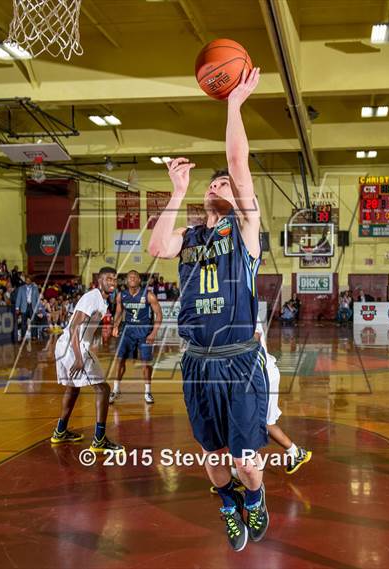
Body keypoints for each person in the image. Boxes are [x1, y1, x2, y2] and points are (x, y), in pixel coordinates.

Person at [148, 68, 269, 552]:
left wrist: (234, 105)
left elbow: (238, 162)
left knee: (245, 462)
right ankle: (227, 507)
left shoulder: (244, 234)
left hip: (239, 359)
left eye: (225, 183)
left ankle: (255, 499)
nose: (220, 184)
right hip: (198, 361)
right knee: (213, 454)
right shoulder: (191, 237)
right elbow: (158, 246)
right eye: (212, 182)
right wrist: (177, 191)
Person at [210, 321, 312, 494]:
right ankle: (295, 453)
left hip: (261, 375)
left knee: (251, 424)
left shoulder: (244, 308)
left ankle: (244, 476)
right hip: (252, 375)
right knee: (257, 422)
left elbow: (254, 338)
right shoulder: (230, 309)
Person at [51, 267, 124, 453]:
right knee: (103, 388)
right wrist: (78, 357)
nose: (112, 282)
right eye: (108, 278)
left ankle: (60, 431)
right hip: (74, 347)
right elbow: (75, 326)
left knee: (73, 388)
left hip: (67, 345)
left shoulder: (101, 299)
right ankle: (99, 439)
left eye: (114, 279)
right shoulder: (92, 297)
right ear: (99, 280)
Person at [110, 270, 163, 404]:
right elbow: (118, 312)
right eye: (130, 277)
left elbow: (159, 315)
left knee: (146, 363)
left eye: (135, 277)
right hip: (127, 331)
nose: (132, 279)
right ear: (127, 281)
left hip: (144, 331)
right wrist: (115, 326)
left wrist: (153, 333)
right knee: (120, 360)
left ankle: (147, 392)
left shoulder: (149, 295)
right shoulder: (121, 295)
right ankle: (116, 389)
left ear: (139, 280)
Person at [15, 275, 40, 341]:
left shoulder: (35, 288)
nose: (27, 281)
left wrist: (39, 308)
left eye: (29, 280)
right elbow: (18, 298)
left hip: (32, 306)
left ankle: (34, 336)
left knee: (33, 322)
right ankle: (23, 336)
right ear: (25, 280)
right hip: (24, 306)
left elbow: (38, 299)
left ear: (31, 281)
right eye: (26, 280)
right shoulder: (21, 288)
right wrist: (17, 308)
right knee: (23, 322)